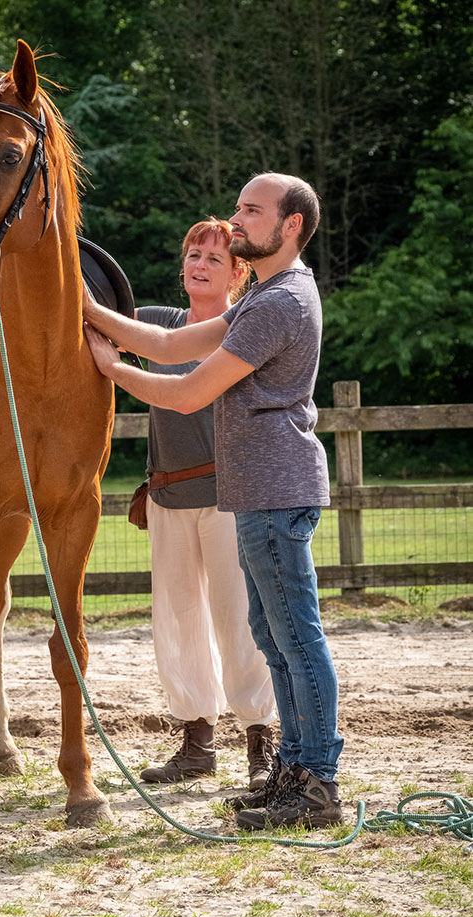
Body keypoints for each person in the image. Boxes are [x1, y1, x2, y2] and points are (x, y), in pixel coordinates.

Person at [83, 172, 344, 830]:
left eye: (250, 212)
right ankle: (292, 771)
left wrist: (111, 368)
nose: (236, 221)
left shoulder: (281, 302)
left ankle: (314, 785)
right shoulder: (261, 297)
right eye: (236, 209)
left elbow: (187, 389)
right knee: (275, 640)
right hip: (257, 493)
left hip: (274, 490)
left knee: (296, 641)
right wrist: (83, 309)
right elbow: (169, 345)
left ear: (289, 226)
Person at [136, 218, 277, 788]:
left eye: (214, 259)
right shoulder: (157, 325)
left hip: (228, 496)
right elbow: (90, 311)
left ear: (237, 273)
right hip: (167, 494)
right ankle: (197, 742)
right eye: (193, 253)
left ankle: (259, 743)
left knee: (239, 619)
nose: (198, 263)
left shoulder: (243, 327)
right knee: (177, 620)